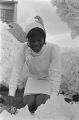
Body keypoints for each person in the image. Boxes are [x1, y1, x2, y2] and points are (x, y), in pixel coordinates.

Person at [7, 16, 61, 114]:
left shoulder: (53, 48)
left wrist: (53, 100)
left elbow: (56, 75)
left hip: (46, 80)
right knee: (29, 103)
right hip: (32, 80)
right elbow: (16, 70)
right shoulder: (24, 49)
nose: (36, 44)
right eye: (32, 41)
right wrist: (11, 94)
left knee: (41, 101)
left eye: (39, 40)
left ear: (44, 39)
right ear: (28, 41)